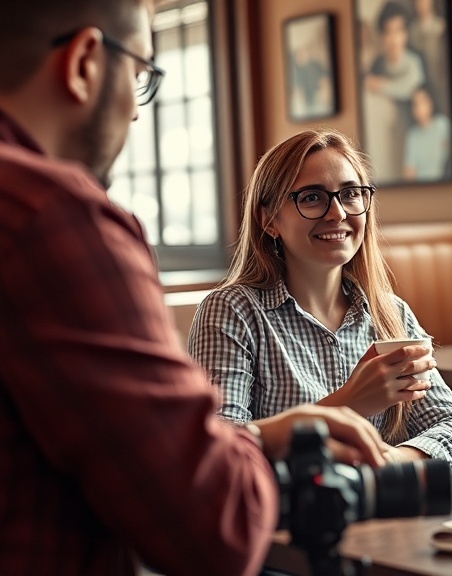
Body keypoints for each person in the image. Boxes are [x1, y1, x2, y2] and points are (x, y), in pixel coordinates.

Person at [0, 2, 389, 574]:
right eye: (140, 74)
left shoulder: (384, 308)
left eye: (352, 193)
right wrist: (268, 440)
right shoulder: (54, 220)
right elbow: (213, 528)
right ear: (84, 62)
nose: (137, 110)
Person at [187, 127, 452, 474]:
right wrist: (349, 402)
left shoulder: (391, 314)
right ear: (269, 220)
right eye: (312, 197)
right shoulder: (231, 312)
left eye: (350, 194)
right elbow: (218, 455)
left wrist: (390, 463)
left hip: (379, 503)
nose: (338, 213)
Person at [363, 0, 426, 181]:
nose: (394, 38)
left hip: (411, 126)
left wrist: (382, 85)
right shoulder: (378, 63)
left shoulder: (414, 61)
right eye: (388, 32)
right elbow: (368, 84)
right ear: (381, 36)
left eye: (399, 31)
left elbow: (410, 86)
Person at [403, 84, 452, 180]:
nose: (419, 108)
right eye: (415, 104)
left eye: (423, 102)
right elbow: (409, 170)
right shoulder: (412, 135)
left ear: (431, 102)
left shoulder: (443, 125)